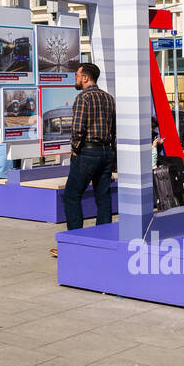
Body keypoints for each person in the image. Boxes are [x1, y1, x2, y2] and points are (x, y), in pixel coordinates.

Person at [57, 62, 115, 249]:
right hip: (106, 151)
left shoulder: (83, 98)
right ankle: (104, 239)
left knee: (72, 195)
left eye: (77, 76)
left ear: (85, 78)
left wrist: (75, 148)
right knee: (103, 196)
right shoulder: (108, 98)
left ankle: (76, 240)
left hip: (87, 152)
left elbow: (78, 128)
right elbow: (113, 129)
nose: (75, 78)